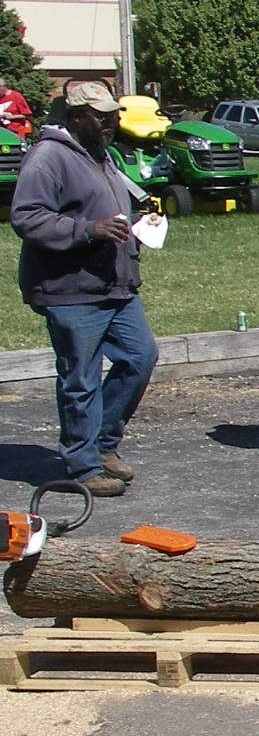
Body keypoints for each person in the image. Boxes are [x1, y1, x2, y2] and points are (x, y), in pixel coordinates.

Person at [10, 81, 157, 497]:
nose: (111, 121)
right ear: (76, 116)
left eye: (113, 114)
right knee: (81, 379)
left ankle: (103, 443)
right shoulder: (48, 157)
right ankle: (83, 465)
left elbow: (112, 210)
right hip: (70, 289)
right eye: (101, 115)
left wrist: (136, 230)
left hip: (114, 283)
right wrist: (87, 230)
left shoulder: (102, 154)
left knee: (140, 356)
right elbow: (27, 217)